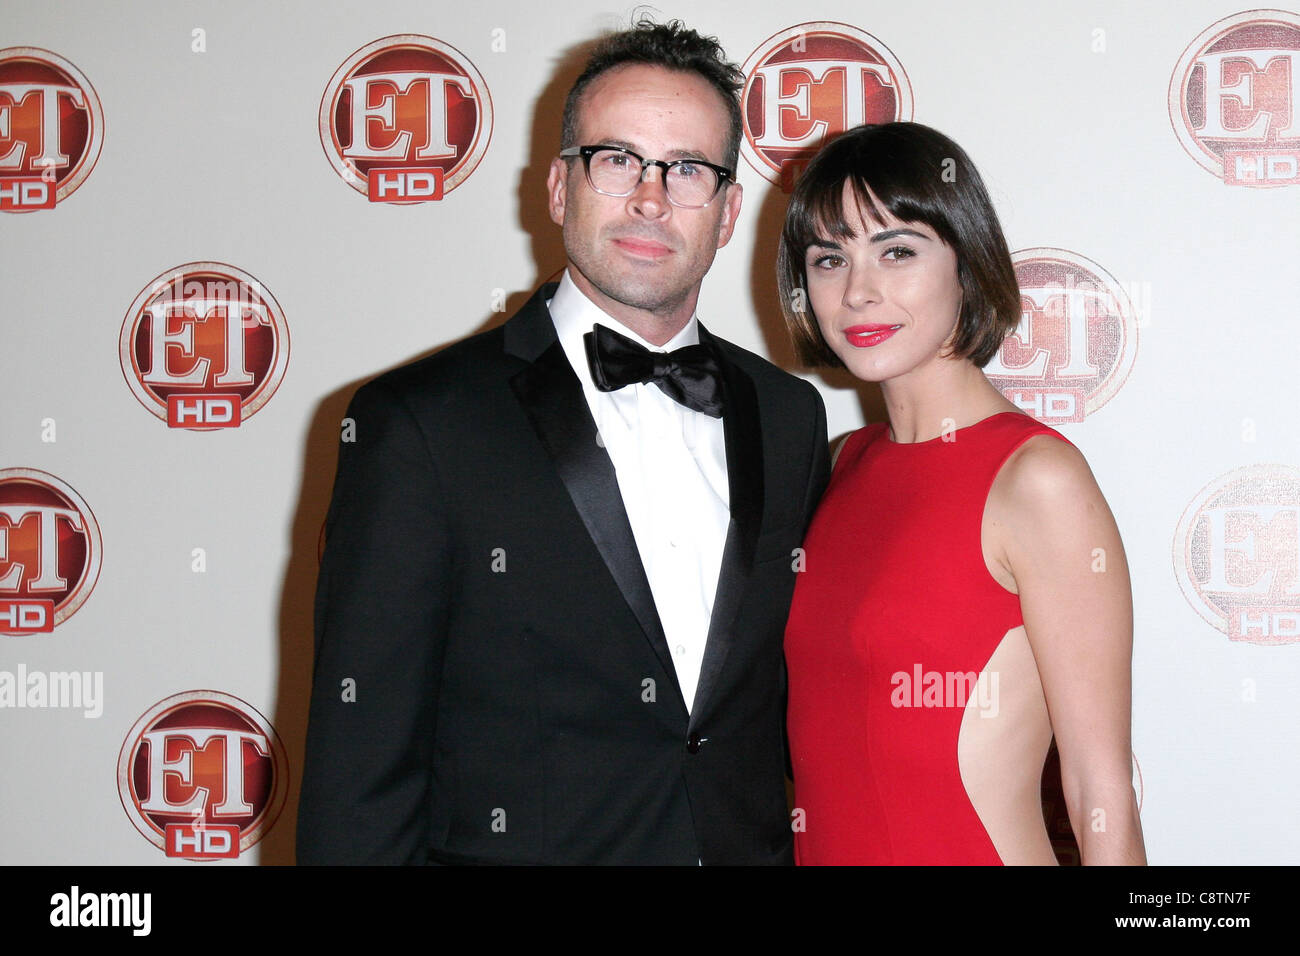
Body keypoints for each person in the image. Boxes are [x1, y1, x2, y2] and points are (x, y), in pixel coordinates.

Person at [297, 20, 830, 865]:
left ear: (728, 212)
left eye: (688, 170)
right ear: (558, 188)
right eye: (617, 160)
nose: (651, 199)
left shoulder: (790, 416)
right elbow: (357, 785)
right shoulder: (418, 424)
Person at [779, 122, 1146, 865]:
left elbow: (1098, 784)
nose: (857, 290)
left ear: (968, 266)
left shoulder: (1034, 480)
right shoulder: (840, 465)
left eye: (898, 251)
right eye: (828, 258)